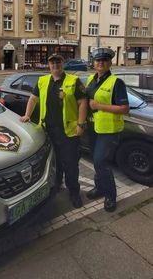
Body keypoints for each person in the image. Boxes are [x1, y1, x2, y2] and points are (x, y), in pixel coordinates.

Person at [20, 54, 88, 208]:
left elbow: (83, 103)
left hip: (68, 132)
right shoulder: (42, 81)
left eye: (58, 61)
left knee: (70, 163)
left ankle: (74, 191)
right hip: (48, 131)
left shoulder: (73, 81)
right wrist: (27, 115)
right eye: (52, 62)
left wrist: (81, 124)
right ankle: (57, 184)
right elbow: (33, 99)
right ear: (48, 65)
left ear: (62, 63)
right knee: (55, 162)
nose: (55, 65)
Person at [86, 47, 129, 212]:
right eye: (98, 60)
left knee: (101, 162)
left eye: (104, 60)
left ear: (110, 63)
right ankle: (100, 188)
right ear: (94, 63)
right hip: (93, 127)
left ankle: (111, 195)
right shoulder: (91, 79)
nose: (101, 63)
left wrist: (99, 106)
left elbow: (124, 108)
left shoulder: (116, 83)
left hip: (109, 130)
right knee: (95, 161)